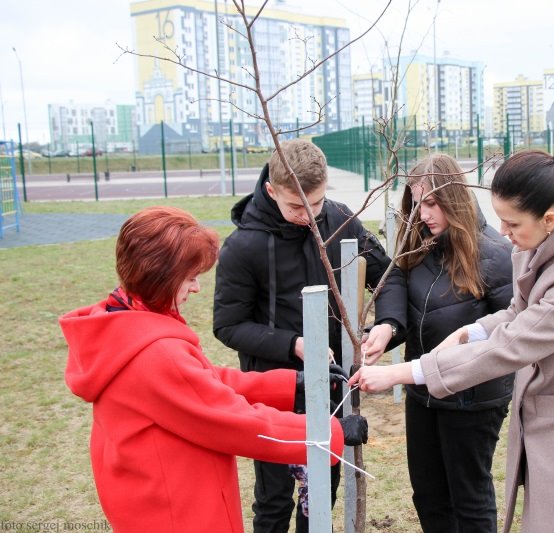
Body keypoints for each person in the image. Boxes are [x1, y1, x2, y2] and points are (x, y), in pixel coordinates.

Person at [351, 149, 554, 533]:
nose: (502, 231)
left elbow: (510, 346)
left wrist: (401, 372)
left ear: (549, 219)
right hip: (547, 421)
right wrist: (471, 331)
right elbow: (517, 313)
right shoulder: (544, 249)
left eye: (512, 222)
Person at [60, 206, 369, 533]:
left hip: (151, 498)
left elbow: (202, 382)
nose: (195, 288)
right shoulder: (155, 354)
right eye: (190, 277)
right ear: (160, 276)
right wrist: (327, 432)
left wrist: (290, 384)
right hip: (178, 513)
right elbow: (236, 421)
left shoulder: (124, 324)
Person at [213, 139, 404, 533]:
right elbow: (228, 325)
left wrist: (387, 326)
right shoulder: (243, 247)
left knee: (321, 494)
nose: (310, 216)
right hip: (273, 392)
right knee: (274, 498)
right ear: (271, 190)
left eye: (316, 203)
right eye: (296, 206)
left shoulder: (339, 221)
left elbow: (389, 277)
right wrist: (295, 345)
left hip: (331, 392)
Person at [361, 153, 514, 532]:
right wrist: (388, 325)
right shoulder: (419, 243)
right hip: (422, 392)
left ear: (454, 199)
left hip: (471, 400)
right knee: (428, 494)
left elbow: (508, 331)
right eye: (416, 203)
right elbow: (396, 278)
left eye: (431, 203)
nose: (422, 213)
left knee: (468, 497)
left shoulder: (494, 255)